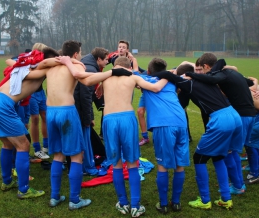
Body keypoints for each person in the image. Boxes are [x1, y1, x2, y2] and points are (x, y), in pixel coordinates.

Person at [40, 40, 133, 210]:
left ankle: (55, 197)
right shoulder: (78, 65)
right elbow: (85, 80)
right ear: (76, 53)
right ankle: (74, 200)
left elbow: (38, 66)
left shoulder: (50, 66)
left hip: (50, 111)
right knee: (77, 155)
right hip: (66, 111)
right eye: (80, 53)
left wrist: (57, 60)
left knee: (58, 156)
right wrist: (111, 72)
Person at [82, 56, 167, 217]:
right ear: (128, 67)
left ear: (115, 66)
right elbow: (155, 88)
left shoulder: (106, 76)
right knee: (132, 164)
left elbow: (88, 81)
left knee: (117, 164)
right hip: (127, 119)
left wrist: (102, 83)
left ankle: (123, 203)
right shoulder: (133, 76)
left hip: (109, 120)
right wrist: (168, 76)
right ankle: (135, 205)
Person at [154, 64, 245, 210]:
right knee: (218, 156)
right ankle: (226, 198)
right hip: (234, 115)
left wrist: (161, 75)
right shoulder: (206, 78)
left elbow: (168, 75)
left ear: (183, 76)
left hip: (220, 120)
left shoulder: (187, 82)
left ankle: (205, 200)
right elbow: (182, 102)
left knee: (199, 158)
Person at [185, 53, 256, 195]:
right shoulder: (230, 72)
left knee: (228, 153)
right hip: (249, 115)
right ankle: (239, 183)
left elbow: (211, 79)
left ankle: (237, 186)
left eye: (202, 70)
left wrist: (190, 75)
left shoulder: (221, 74)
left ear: (206, 66)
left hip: (241, 115)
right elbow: (249, 83)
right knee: (233, 151)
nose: (203, 73)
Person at [0, 47, 58, 199]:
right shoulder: (38, 71)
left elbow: (12, 61)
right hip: (4, 105)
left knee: (7, 144)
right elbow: (49, 61)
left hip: (1, 100)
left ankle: (7, 181)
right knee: (23, 145)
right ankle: (24, 190)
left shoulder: (25, 68)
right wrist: (66, 59)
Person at [135, 58, 189, 214]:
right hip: (181, 122)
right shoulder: (172, 80)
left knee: (163, 165)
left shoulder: (145, 79)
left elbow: (131, 74)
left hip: (163, 124)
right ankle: (176, 203)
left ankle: (164, 204)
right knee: (179, 164)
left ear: (150, 71)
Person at [73, 47, 109, 175]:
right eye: (105, 60)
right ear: (98, 59)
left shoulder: (87, 64)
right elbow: (85, 96)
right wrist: (88, 118)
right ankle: (87, 166)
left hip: (73, 109)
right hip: (78, 110)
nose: (107, 62)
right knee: (84, 140)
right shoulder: (91, 69)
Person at [29, 43, 50, 159]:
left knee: (45, 117)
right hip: (31, 93)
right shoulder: (31, 63)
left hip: (41, 93)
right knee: (35, 119)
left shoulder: (44, 63)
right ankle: (37, 148)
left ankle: (46, 146)